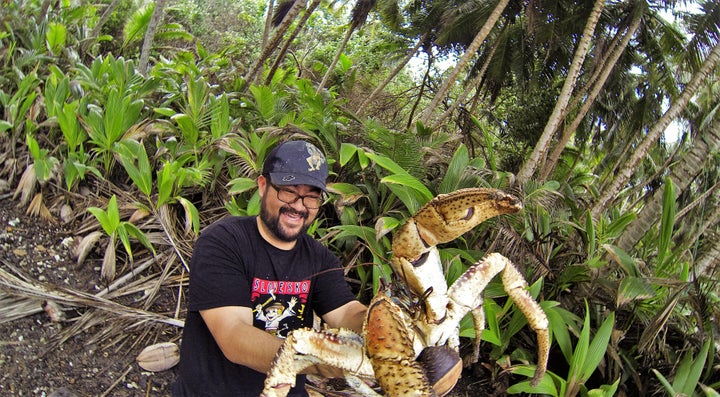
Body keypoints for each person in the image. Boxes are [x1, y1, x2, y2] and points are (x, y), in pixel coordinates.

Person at [172, 140, 368, 396]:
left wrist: (381, 323)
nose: (299, 205)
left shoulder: (321, 259)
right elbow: (233, 336)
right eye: (289, 191)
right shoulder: (223, 242)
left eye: (311, 196)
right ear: (263, 186)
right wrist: (316, 359)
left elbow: (346, 314)